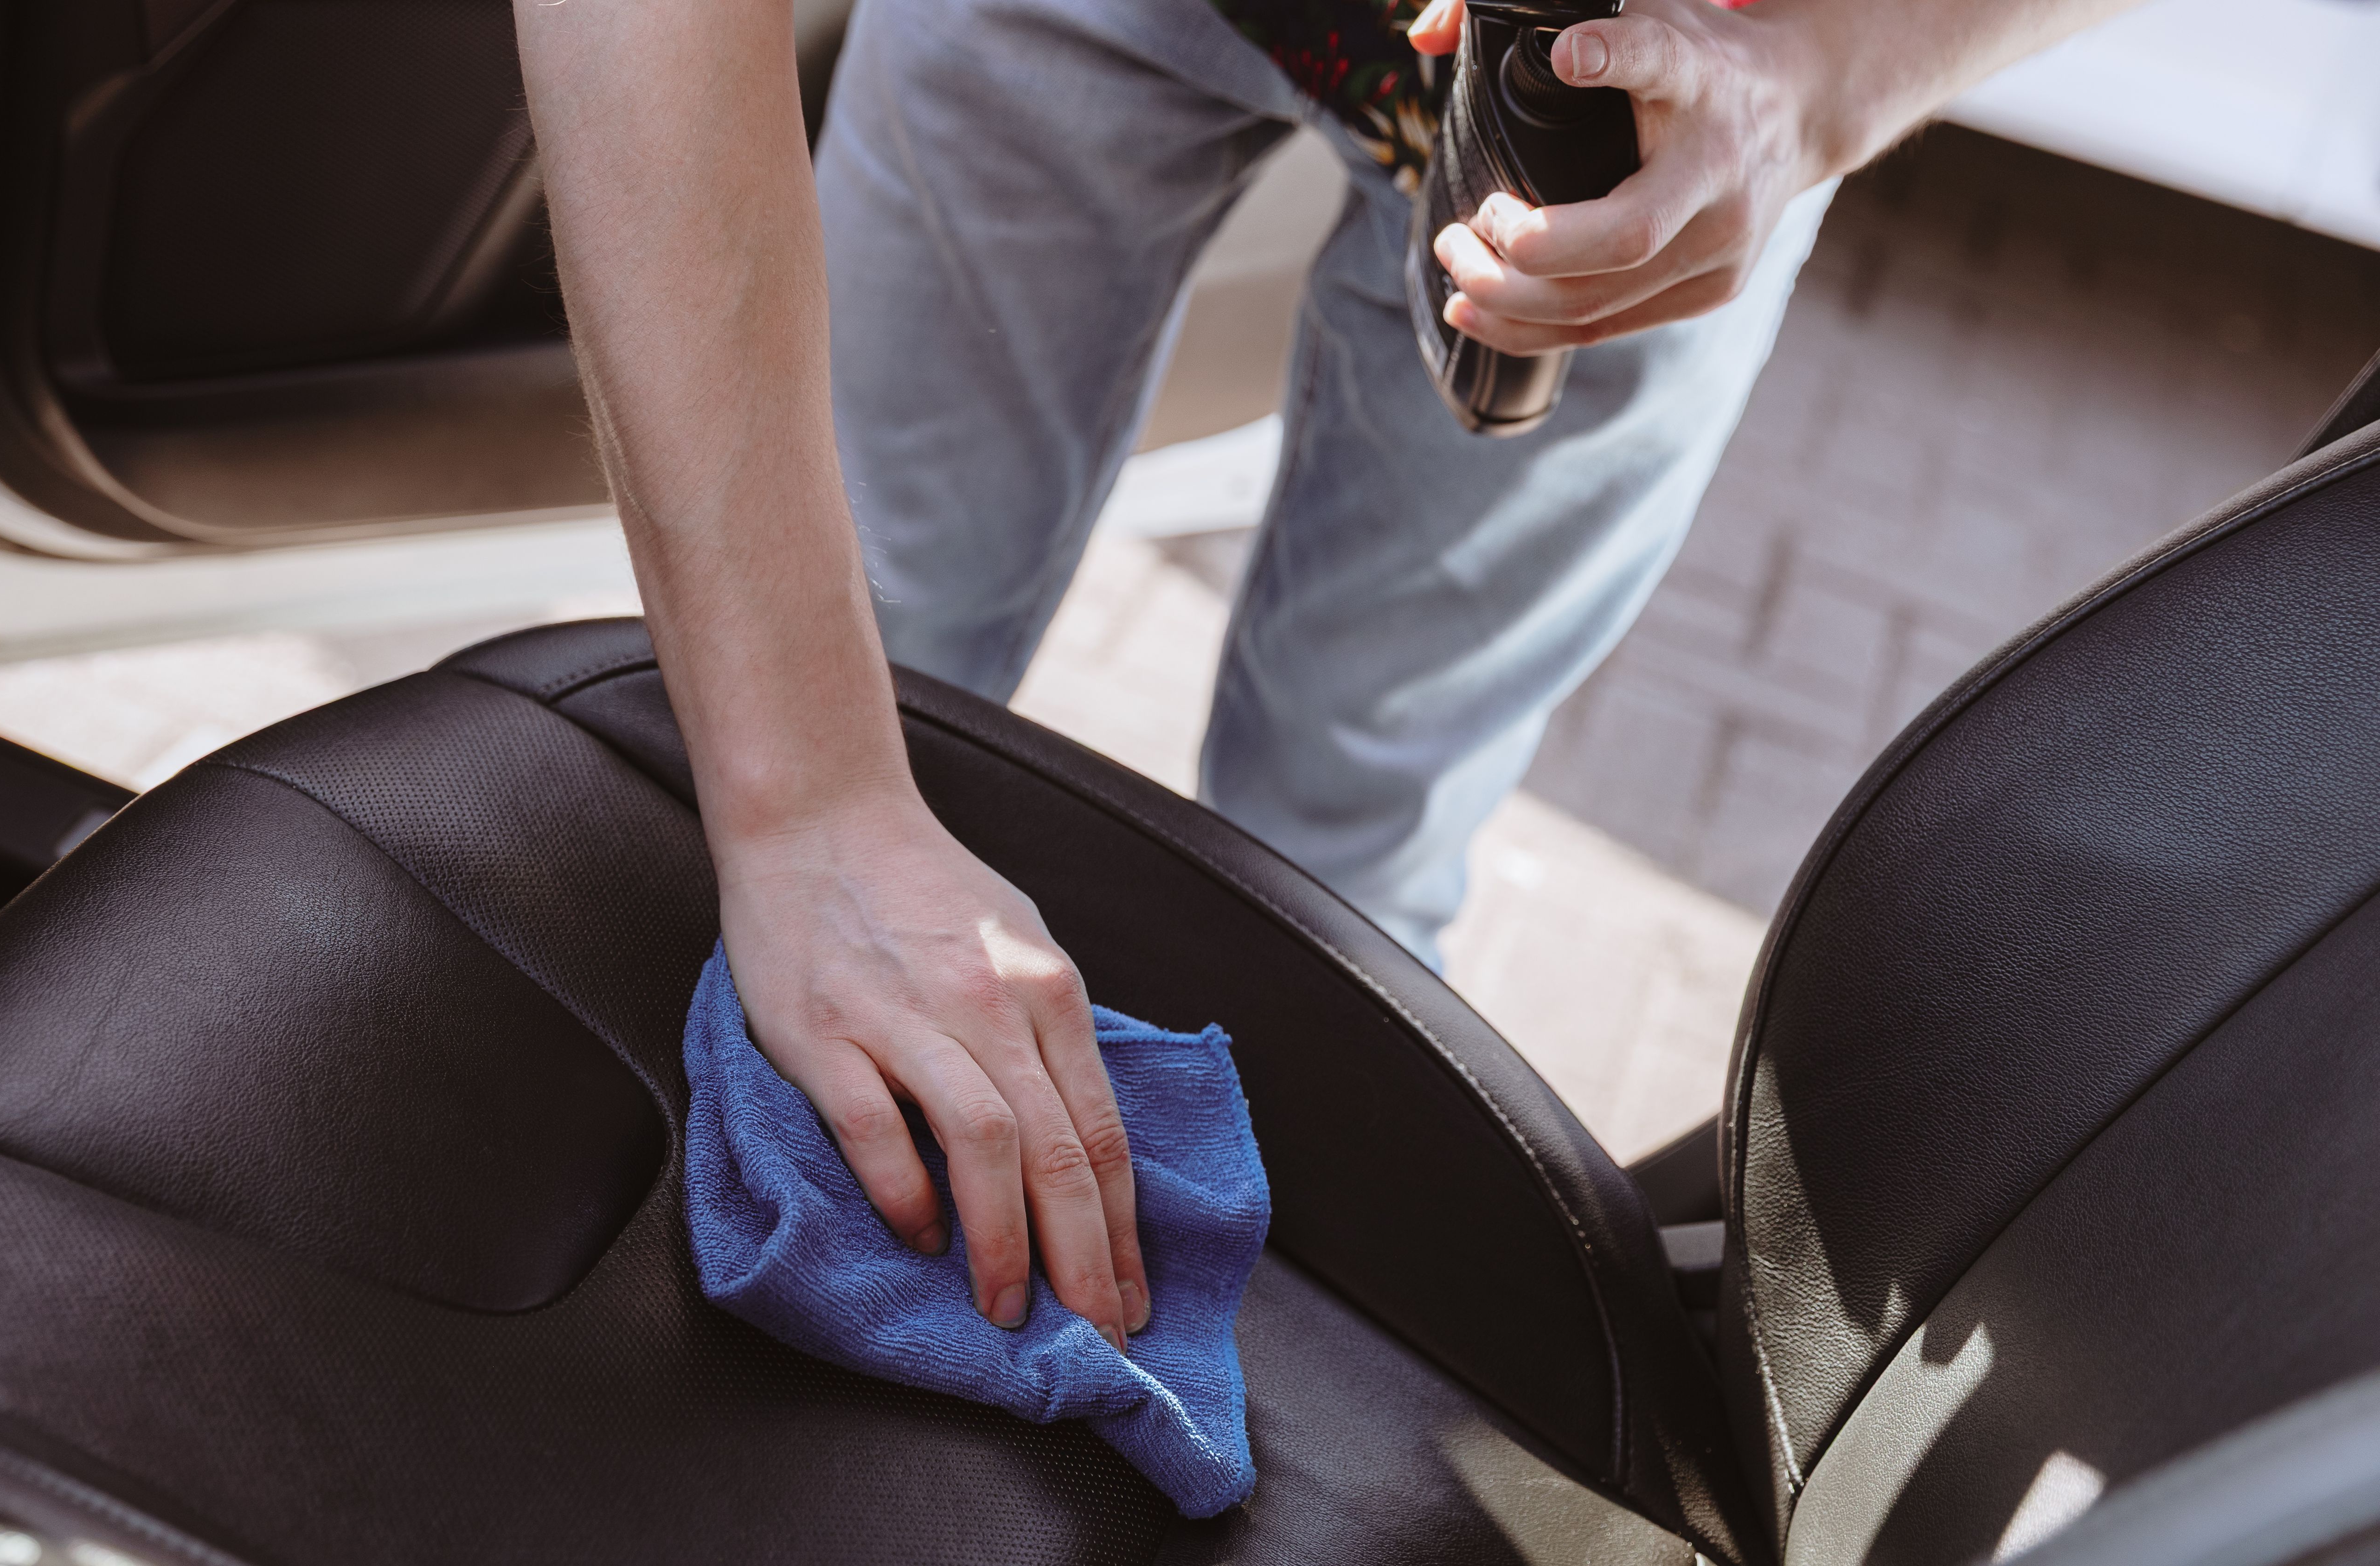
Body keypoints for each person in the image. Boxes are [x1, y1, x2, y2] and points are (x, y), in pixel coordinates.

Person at [510, 0, 2143, 1348]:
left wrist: (1834, 79)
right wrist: (804, 798)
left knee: (1341, 880)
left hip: (1647, 104)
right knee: (866, 640)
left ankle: (1246, 1349)